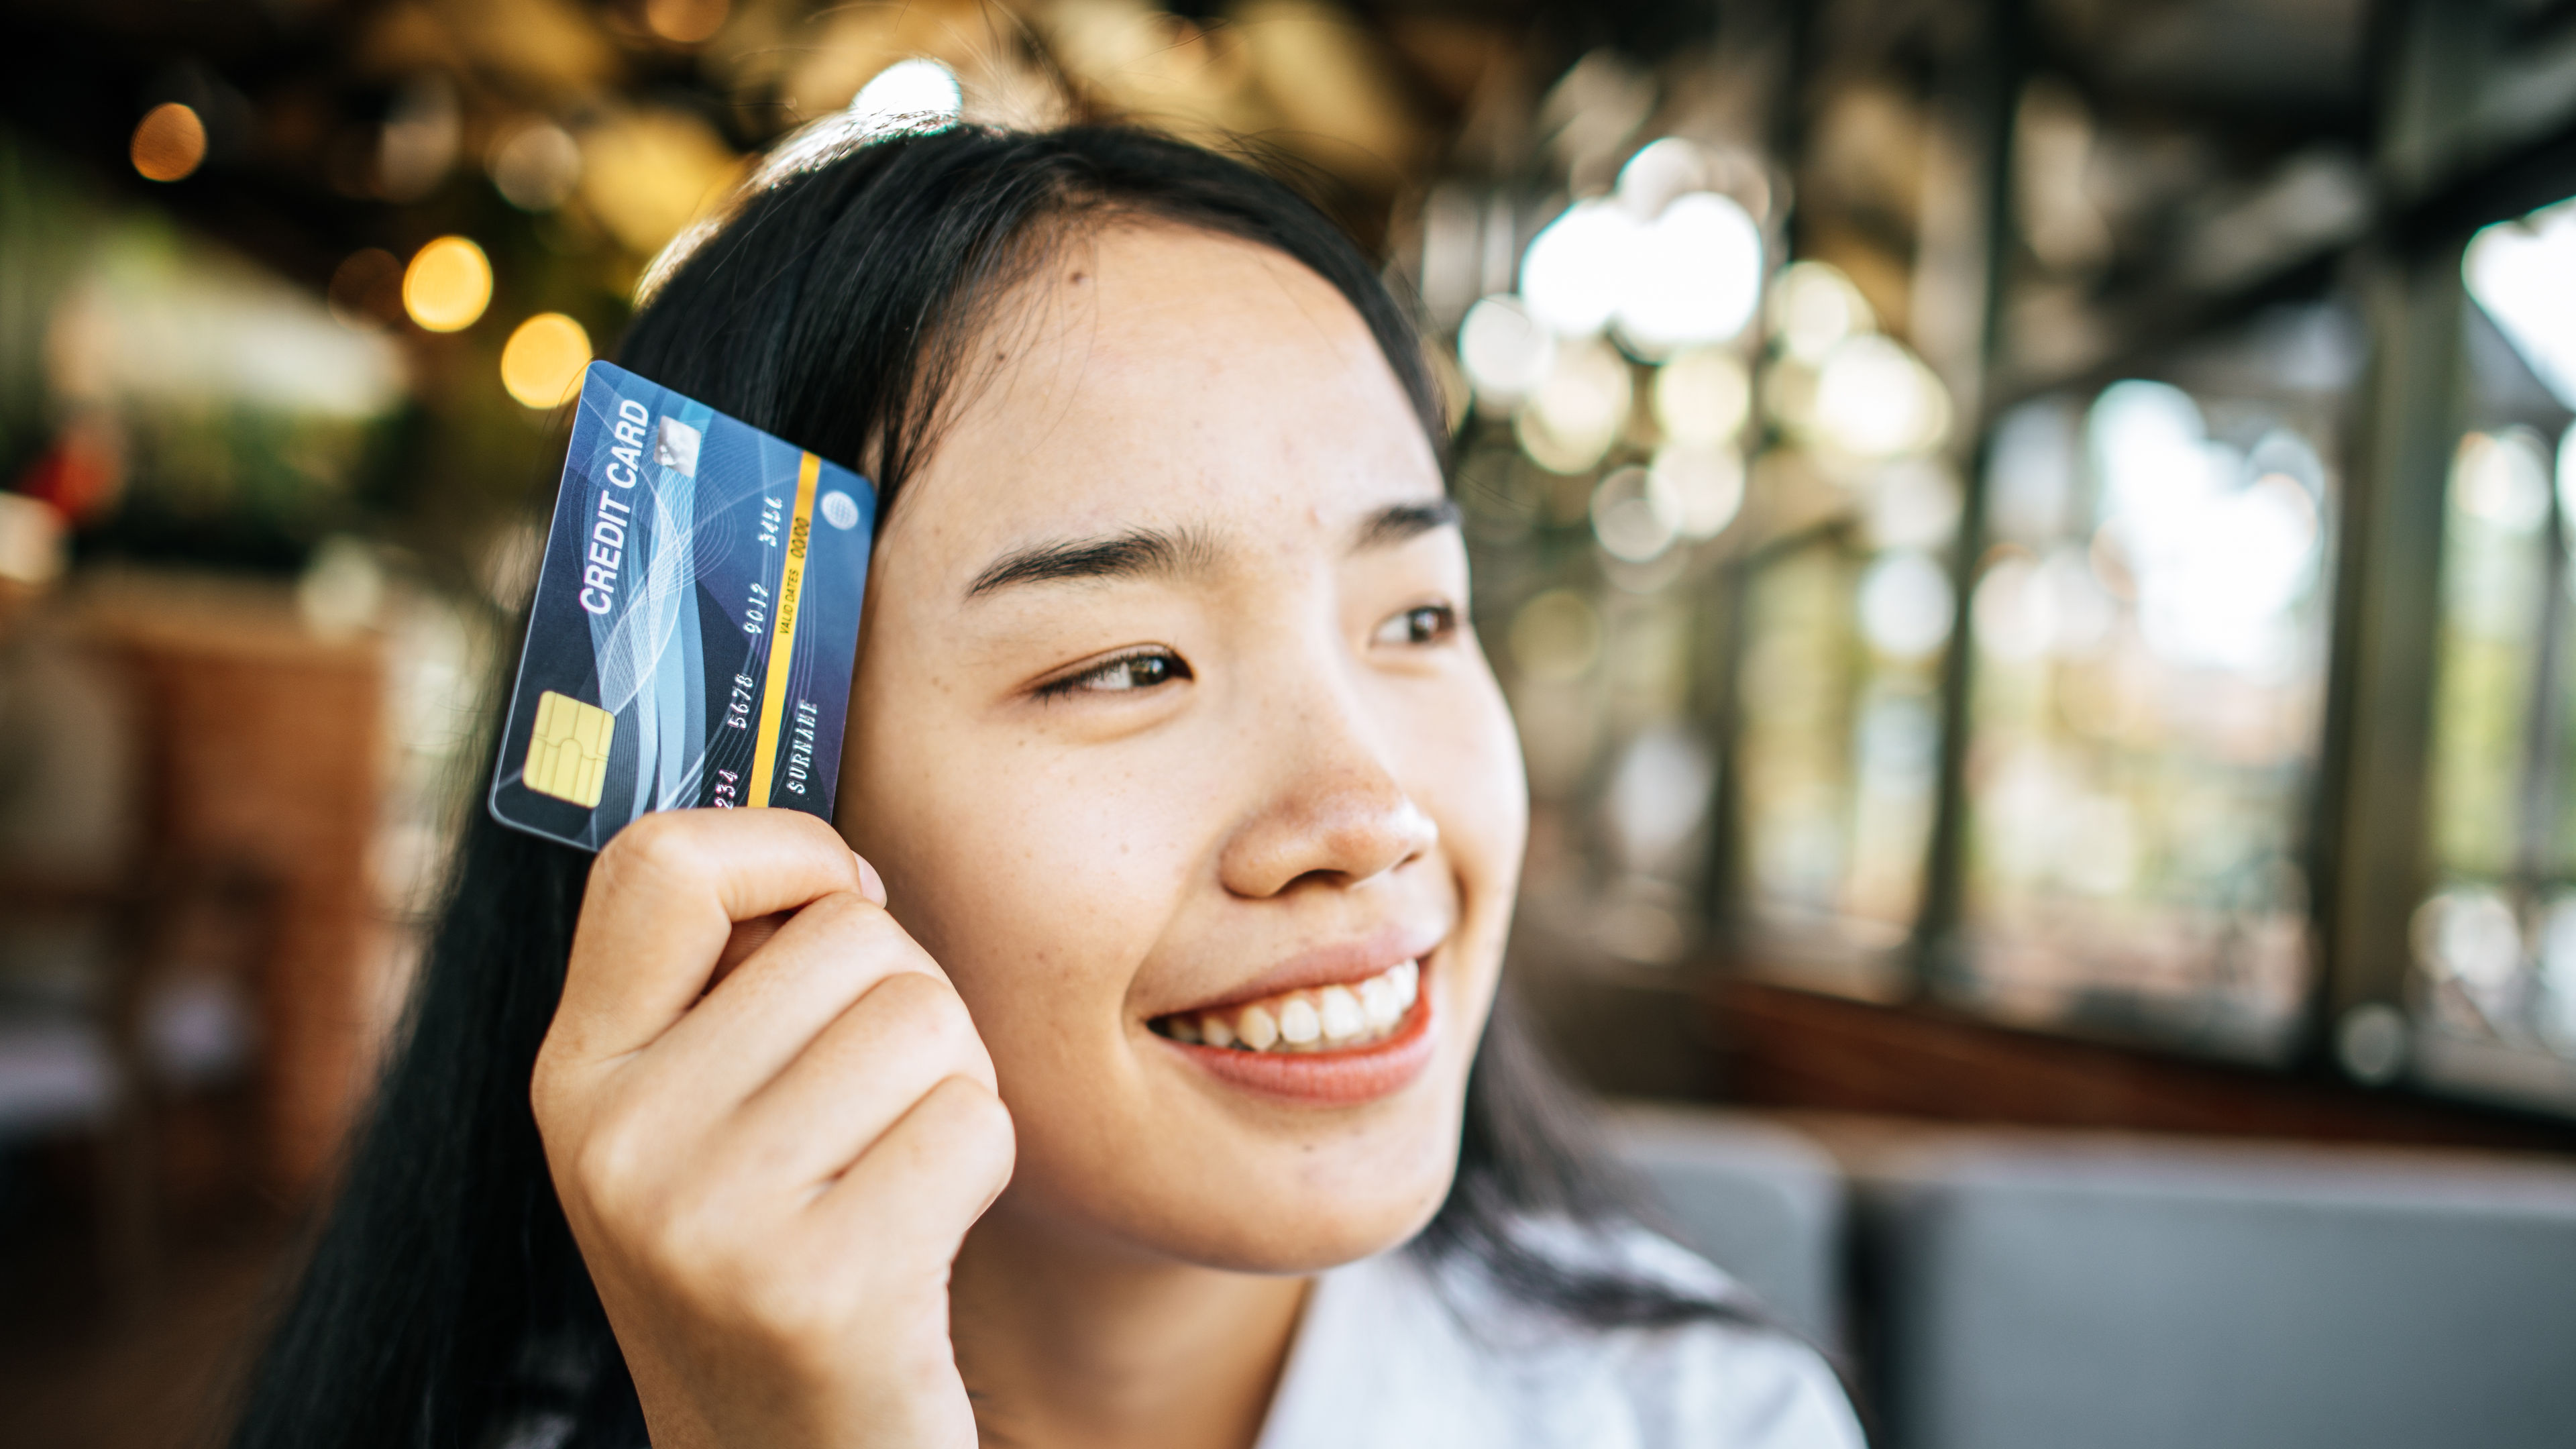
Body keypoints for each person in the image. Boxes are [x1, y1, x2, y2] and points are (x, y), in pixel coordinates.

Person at [228, 121, 1864, 1449]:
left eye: (1419, 617)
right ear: (748, 812)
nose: (1372, 817)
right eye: (1124, 665)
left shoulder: (1704, 1417)